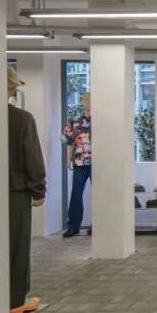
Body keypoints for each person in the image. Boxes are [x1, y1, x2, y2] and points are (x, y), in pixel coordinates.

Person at [7, 66, 46, 313]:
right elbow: (32, 157)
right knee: (17, 247)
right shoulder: (21, 119)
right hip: (15, 192)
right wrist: (38, 189)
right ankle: (14, 299)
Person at [62, 92, 91, 237]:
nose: (87, 102)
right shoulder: (74, 121)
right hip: (80, 161)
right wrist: (68, 159)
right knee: (76, 193)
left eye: (89, 99)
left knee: (100, 194)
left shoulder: (102, 121)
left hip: (98, 162)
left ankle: (99, 224)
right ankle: (73, 226)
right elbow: (68, 141)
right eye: (85, 99)